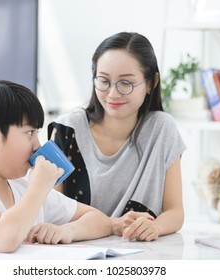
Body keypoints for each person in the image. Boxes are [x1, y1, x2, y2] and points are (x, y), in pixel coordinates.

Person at [0, 79, 111, 253]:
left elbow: (100, 220)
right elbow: (4, 239)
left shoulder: (21, 184)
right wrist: (39, 187)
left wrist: (67, 231)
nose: (37, 145)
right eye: (29, 133)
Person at [48, 32, 186, 242]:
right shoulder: (67, 129)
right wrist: (110, 225)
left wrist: (154, 227)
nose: (112, 94)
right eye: (103, 81)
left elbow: (175, 212)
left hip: (140, 253)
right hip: (75, 250)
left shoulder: (162, 128)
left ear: (151, 82)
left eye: (126, 83)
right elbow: (48, 206)